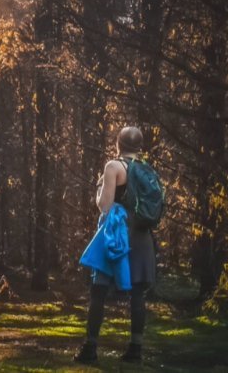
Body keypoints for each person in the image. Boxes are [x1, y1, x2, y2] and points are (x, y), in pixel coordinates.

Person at [74, 126, 156, 364]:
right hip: (142, 235)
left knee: (98, 291)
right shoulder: (147, 170)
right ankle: (135, 350)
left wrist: (99, 189)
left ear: (118, 143)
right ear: (140, 147)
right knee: (138, 293)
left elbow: (105, 206)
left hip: (116, 236)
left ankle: (90, 349)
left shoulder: (113, 167)